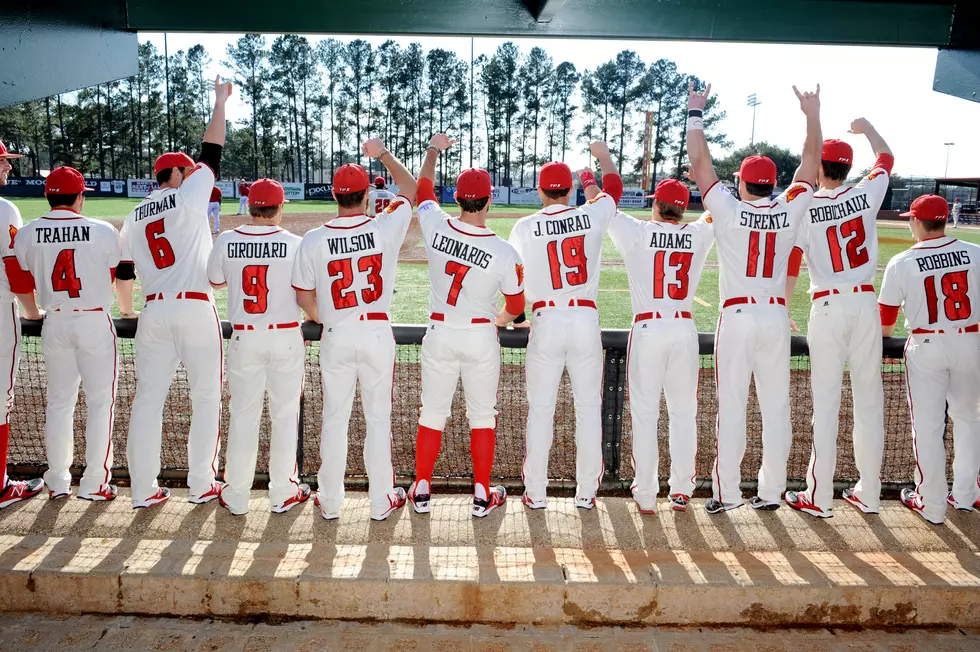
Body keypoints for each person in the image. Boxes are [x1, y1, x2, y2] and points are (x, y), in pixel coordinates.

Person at [686, 81, 822, 514]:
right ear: (773, 183)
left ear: (742, 181)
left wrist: (695, 112)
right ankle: (771, 491)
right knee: (776, 407)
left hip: (739, 315)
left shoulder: (726, 208)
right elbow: (811, 163)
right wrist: (812, 114)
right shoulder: (790, 206)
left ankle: (726, 492)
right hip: (775, 316)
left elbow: (701, 162)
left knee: (733, 407)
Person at [119, 76, 233, 509]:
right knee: (205, 397)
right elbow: (213, 148)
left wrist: (126, 310)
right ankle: (201, 483)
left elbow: (125, 270)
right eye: (186, 170)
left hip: (152, 312)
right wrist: (219, 101)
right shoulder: (188, 196)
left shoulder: (132, 214)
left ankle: (144, 489)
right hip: (193, 307)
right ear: (178, 174)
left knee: (148, 399)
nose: (192, 173)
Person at [292, 140, 417, 521]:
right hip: (376, 331)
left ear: (334, 195)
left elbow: (303, 295)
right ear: (368, 195)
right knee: (378, 419)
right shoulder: (385, 224)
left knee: (335, 418)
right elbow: (411, 189)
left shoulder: (313, 238)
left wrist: (321, 317)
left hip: (337, 332)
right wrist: (383, 153)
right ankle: (381, 501)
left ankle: (329, 501)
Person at [407, 133, 525, 518]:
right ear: (489, 199)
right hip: (479, 335)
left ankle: (422, 487)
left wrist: (434, 149)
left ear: (456, 198)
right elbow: (517, 307)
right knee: (482, 415)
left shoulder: (437, 225)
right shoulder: (504, 250)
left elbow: (422, 189)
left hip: (440, 332)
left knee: (432, 412)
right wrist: (500, 321)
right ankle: (480, 494)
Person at [783, 120, 894, 518]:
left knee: (826, 404)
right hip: (866, 303)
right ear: (846, 169)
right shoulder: (866, 192)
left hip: (828, 307)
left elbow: (794, 261)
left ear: (819, 168)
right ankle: (869, 493)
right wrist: (867, 129)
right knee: (870, 403)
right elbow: (885, 157)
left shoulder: (807, 205)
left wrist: (783, 306)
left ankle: (820, 496)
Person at [508, 143, 622, 511]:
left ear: (540, 191)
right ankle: (586, 493)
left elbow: (513, 279)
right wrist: (602, 160)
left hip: (546, 320)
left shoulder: (525, 226)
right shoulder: (591, 214)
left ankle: (536, 493)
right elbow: (613, 192)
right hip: (585, 319)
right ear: (570, 191)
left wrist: (516, 317)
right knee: (588, 409)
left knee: (541, 410)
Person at [13, 166, 121, 501]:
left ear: (47, 196)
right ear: (78, 197)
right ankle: (94, 483)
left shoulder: (28, 232)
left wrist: (32, 311)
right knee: (100, 402)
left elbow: (22, 280)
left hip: (55, 322)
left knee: (59, 404)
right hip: (93, 321)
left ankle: (58, 481)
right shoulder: (102, 230)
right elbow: (113, 277)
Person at [607, 178, 714, 514]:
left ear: (656, 205)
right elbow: (716, 212)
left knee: (645, 414)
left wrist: (591, 175)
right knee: (684, 413)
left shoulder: (636, 232)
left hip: (649, 327)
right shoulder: (698, 233)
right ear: (683, 209)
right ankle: (681, 490)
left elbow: (605, 204)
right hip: (684, 327)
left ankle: (647, 493)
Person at [208, 179, 310, 516]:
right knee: (284, 416)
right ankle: (282, 492)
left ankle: (236, 494)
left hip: (245, 337)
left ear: (250, 206)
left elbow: (215, 280)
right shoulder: (296, 243)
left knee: (243, 416)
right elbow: (305, 293)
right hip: (285, 336)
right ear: (279, 208)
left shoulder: (226, 239)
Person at [879, 194, 980, 524]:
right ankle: (966, 495)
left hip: (926, 346)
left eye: (911, 218)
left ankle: (932, 504)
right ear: (945, 221)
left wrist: (883, 345)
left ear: (918, 222)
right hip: (972, 342)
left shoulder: (902, 261)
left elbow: (886, 316)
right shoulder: (975, 253)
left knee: (928, 427)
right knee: (969, 420)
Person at [0, 140, 45, 508]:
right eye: (2, 161)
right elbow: (15, 271)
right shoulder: (5, 209)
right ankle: (1, 487)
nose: (8, 168)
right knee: (1, 400)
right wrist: (31, 312)